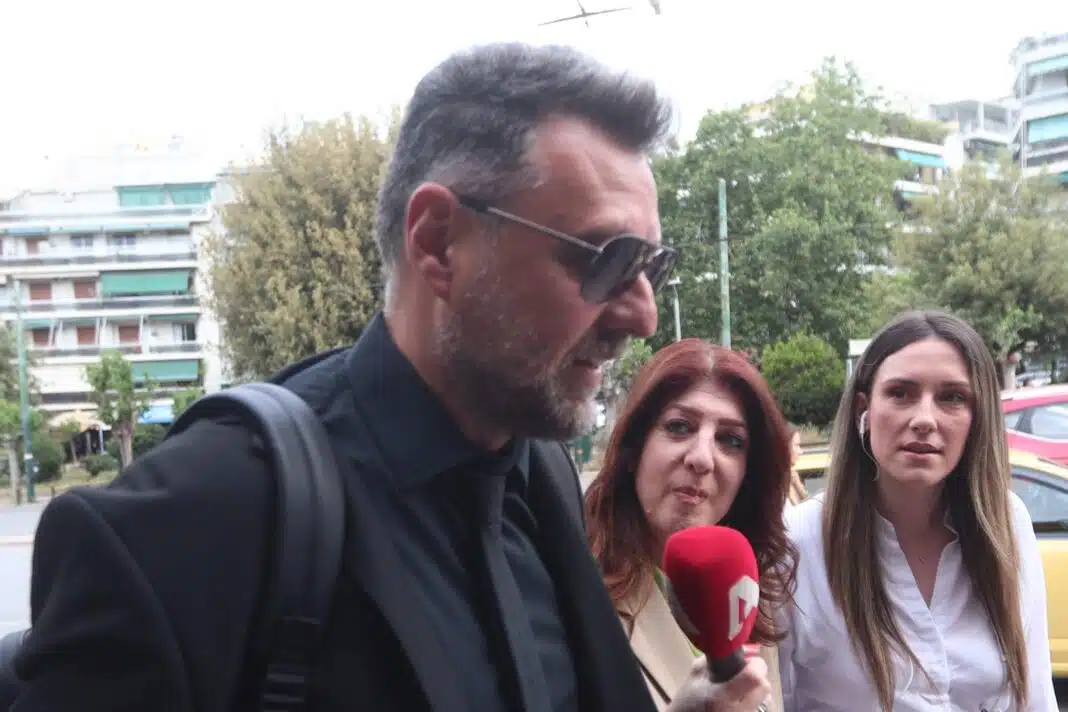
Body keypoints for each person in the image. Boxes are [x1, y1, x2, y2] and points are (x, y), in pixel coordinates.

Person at [11, 43, 765, 712]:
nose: (642, 316)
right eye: (605, 260)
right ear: (438, 243)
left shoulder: (543, 477)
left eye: (650, 266)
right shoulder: (189, 525)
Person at [777, 310, 1058, 711]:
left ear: (977, 418)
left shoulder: (1007, 523)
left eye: (952, 397)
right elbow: (771, 698)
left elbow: (1033, 697)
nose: (924, 419)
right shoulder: (797, 542)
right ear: (863, 410)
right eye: (900, 393)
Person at [584, 339, 798, 712]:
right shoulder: (576, 600)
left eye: (730, 440)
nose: (702, 458)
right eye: (680, 427)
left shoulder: (751, 598)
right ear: (633, 450)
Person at [785, 426, 807, 506]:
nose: (801, 451)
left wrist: (798, 487)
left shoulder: (793, 478)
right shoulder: (774, 488)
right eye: (797, 445)